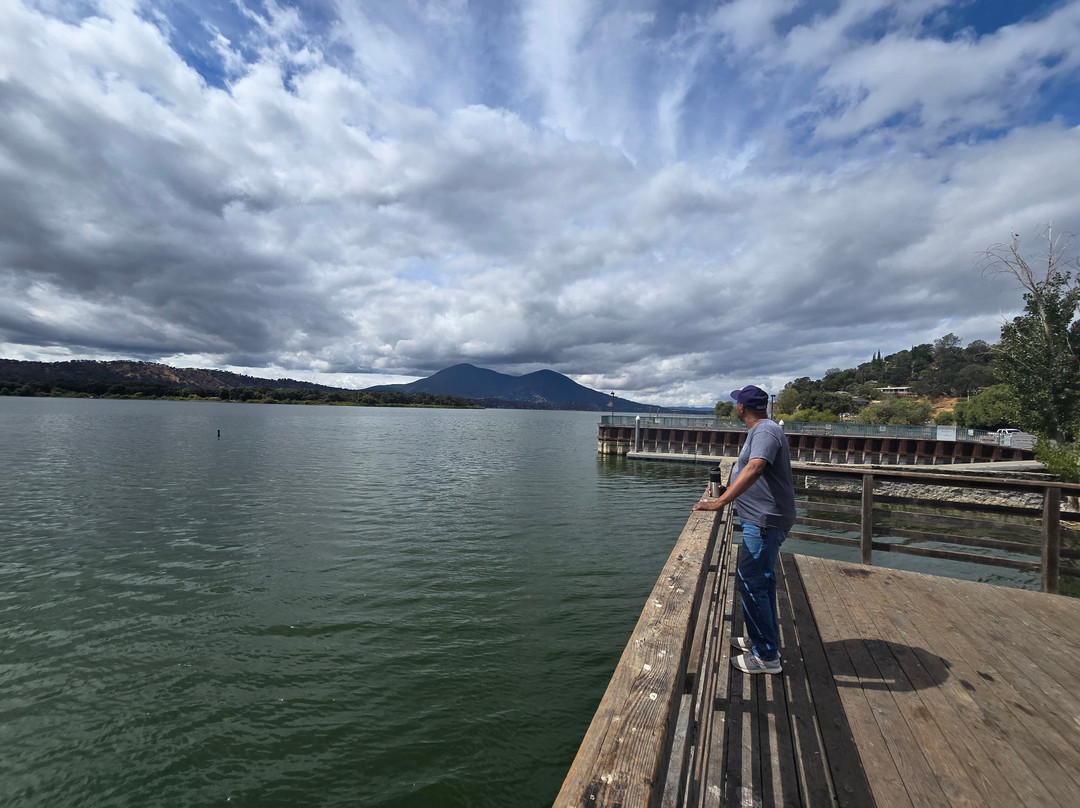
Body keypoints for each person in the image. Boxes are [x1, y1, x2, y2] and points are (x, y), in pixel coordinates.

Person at [692, 385, 796, 674]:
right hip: (763, 520)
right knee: (762, 582)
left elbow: (755, 468)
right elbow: (751, 472)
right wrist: (728, 488)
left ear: (741, 407)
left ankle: (766, 657)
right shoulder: (763, 430)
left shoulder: (764, 431)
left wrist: (720, 502)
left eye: (736, 402)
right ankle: (761, 639)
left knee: (753, 583)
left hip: (764, 522)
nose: (735, 405)